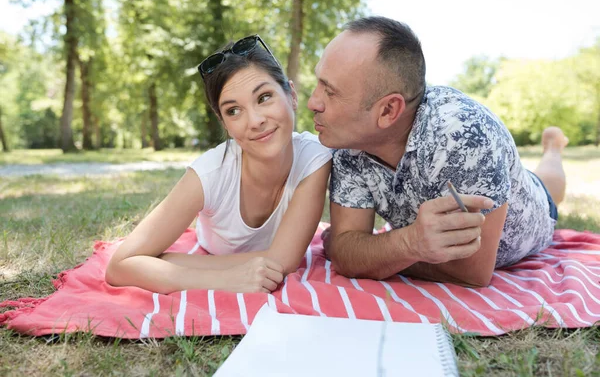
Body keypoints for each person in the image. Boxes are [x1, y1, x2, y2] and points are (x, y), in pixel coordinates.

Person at [308, 16, 568, 287]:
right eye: (319, 84)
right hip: (481, 187)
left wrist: (395, 248)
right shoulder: (346, 140)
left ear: (388, 110)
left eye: (331, 93)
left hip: (535, 212)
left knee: (549, 188)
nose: (312, 102)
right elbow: (346, 251)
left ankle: (554, 148)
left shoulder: (466, 137)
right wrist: (406, 244)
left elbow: (471, 274)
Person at [106, 35, 332, 294]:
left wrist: (173, 263)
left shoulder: (315, 158)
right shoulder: (209, 174)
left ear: (291, 95)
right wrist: (224, 279)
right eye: (234, 111)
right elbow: (120, 265)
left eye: (264, 97)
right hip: (211, 250)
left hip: (207, 260)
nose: (255, 121)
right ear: (224, 122)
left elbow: (283, 262)